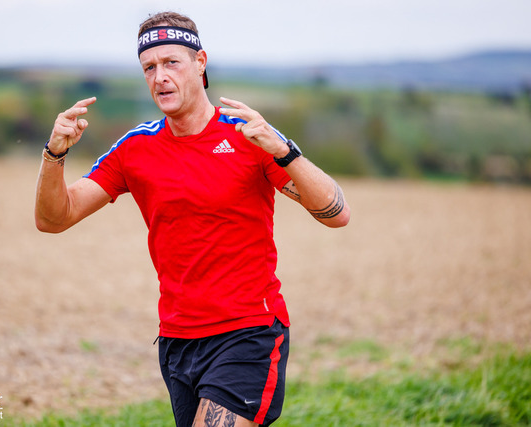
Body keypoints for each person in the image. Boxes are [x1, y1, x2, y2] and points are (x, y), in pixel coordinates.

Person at [35, 11, 350, 427]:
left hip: (249, 333)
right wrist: (54, 153)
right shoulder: (134, 149)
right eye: (150, 67)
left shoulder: (248, 137)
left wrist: (283, 151)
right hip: (177, 340)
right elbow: (54, 219)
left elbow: (336, 213)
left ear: (200, 63)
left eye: (172, 63)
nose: (160, 77)